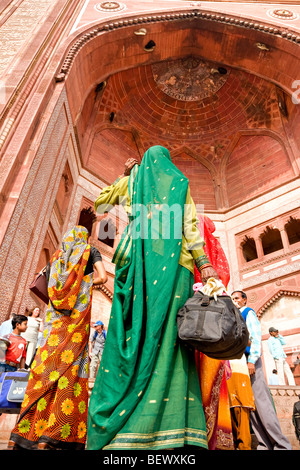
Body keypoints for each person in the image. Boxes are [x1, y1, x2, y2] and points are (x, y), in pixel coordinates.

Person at [87, 146, 219, 450]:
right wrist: (204, 263)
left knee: (139, 336)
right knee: (171, 342)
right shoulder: (178, 181)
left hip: (140, 267)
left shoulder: (132, 181)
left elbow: (100, 201)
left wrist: (124, 176)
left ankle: (126, 424)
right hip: (177, 268)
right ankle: (174, 428)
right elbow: (189, 225)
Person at [9, 208, 108, 450]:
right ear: (88, 232)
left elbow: (51, 286)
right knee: (70, 373)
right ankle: (53, 436)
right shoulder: (90, 251)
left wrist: (69, 286)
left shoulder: (57, 256)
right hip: (75, 326)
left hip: (53, 328)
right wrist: (82, 285)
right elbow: (104, 278)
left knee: (43, 373)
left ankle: (22, 435)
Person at [231, 290, 292, 450]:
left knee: (262, 404)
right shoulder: (235, 315)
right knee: (251, 406)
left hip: (250, 362)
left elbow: (255, 338)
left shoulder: (247, 312)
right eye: (232, 298)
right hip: (240, 363)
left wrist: (252, 361)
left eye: (237, 298)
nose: (234, 300)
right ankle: (264, 444)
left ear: (244, 300)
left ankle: (282, 445)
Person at [194, 215, 234, 450]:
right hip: (212, 323)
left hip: (190, 317)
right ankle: (217, 440)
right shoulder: (214, 247)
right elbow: (223, 276)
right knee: (212, 381)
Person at [226, 355, 255, 450]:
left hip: (239, 368)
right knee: (229, 407)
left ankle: (245, 446)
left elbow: (253, 342)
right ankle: (234, 444)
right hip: (224, 369)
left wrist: (252, 361)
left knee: (242, 407)